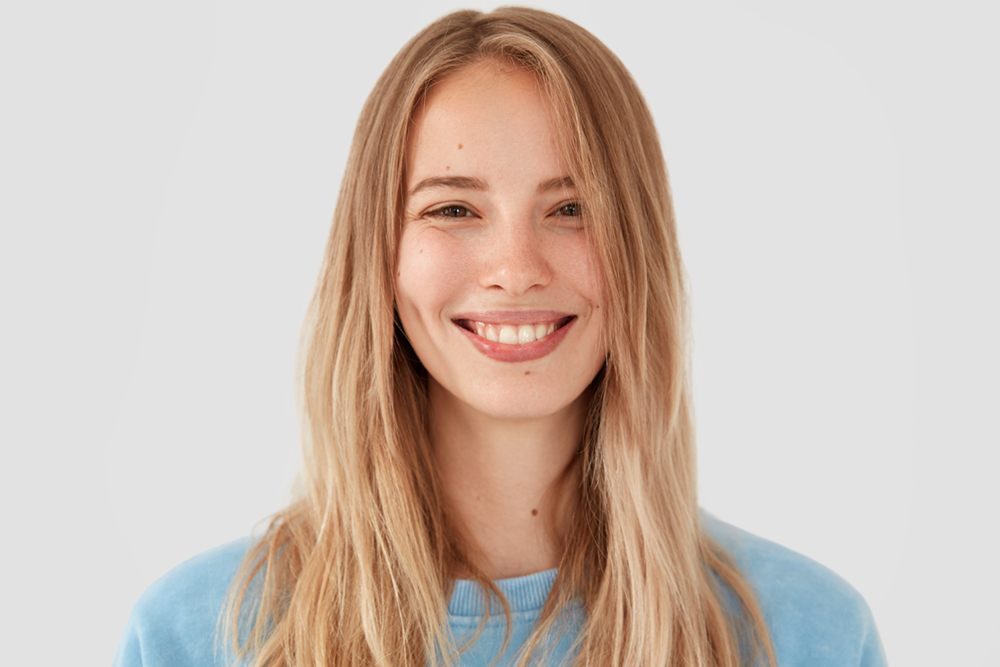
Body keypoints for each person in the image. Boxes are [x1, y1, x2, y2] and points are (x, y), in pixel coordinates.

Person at [113, 7, 886, 667]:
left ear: (640, 250)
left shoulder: (807, 635)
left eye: (573, 207)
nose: (516, 269)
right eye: (453, 209)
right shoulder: (197, 635)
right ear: (380, 255)